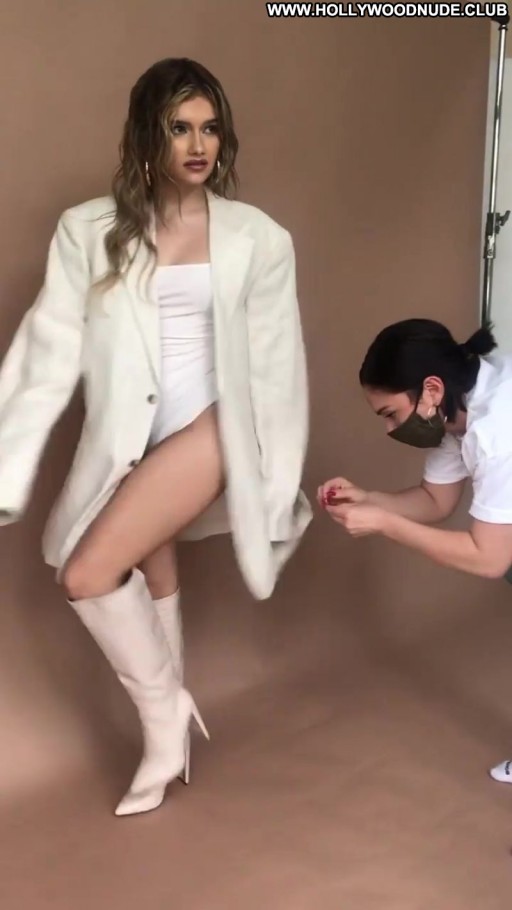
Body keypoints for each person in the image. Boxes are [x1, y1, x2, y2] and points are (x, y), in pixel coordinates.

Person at [0, 57, 311, 817]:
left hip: (217, 424)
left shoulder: (259, 239)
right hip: (133, 432)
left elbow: (278, 369)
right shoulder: (88, 230)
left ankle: (164, 719)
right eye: (179, 128)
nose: (198, 145)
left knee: (86, 572)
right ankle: (175, 728)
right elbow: (47, 350)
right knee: (150, 564)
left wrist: (275, 485)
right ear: (148, 133)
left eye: (210, 128)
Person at [318, 318, 512, 784]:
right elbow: (434, 501)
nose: (390, 429)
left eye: (390, 413)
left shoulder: (497, 429)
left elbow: (489, 558)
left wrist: (385, 524)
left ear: (430, 389)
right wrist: (368, 499)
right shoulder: (454, 413)